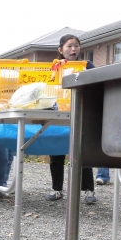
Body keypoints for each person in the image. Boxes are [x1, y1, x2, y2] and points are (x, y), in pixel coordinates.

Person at [46, 35, 96, 204]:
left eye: (76, 46)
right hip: (59, 113)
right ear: (61, 50)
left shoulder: (87, 66)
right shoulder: (54, 66)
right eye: (69, 46)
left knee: (82, 153)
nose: (73, 49)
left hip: (81, 112)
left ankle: (88, 191)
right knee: (56, 153)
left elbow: (96, 85)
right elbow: (48, 88)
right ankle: (57, 190)